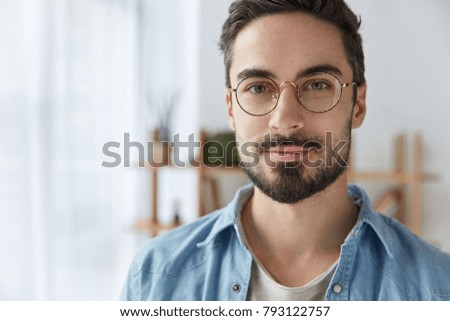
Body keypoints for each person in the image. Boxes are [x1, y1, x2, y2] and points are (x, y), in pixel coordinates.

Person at [121, 0, 450, 300]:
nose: (285, 119)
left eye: (318, 84)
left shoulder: (438, 288)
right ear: (231, 109)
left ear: (358, 105)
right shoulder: (155, 278)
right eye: (258, 88)